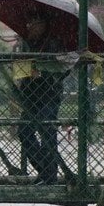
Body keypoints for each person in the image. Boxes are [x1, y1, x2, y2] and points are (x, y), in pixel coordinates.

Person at [15, 12, 66, 185]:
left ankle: (49, 176)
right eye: (30, 23)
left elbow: (62, 69)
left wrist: (42, 73)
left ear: (44, 24)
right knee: (24, 131)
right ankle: (43, 169)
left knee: (47, 132)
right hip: (30, 93)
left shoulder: (55, 43)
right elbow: (21, 65)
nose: (31, 26)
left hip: (49, 93)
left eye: (35, 23)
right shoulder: (27, 42)